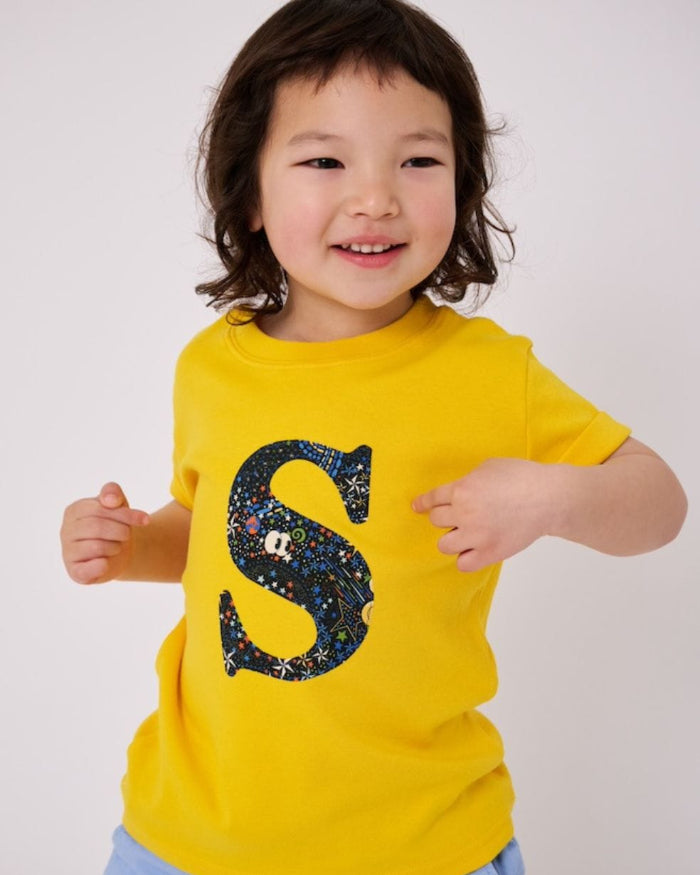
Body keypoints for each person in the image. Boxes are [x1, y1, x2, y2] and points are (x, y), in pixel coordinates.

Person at [60, 1, 687, 873]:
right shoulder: (211, 367)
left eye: (419, 160)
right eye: (325, 159)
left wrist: (555, 497)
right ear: (248, 192)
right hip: (193, 833)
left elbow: (660, 502)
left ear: (463, 183)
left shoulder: (487, 371)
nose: (376, 198)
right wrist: (133, 547)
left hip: (425, 838)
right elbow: (217, 537)